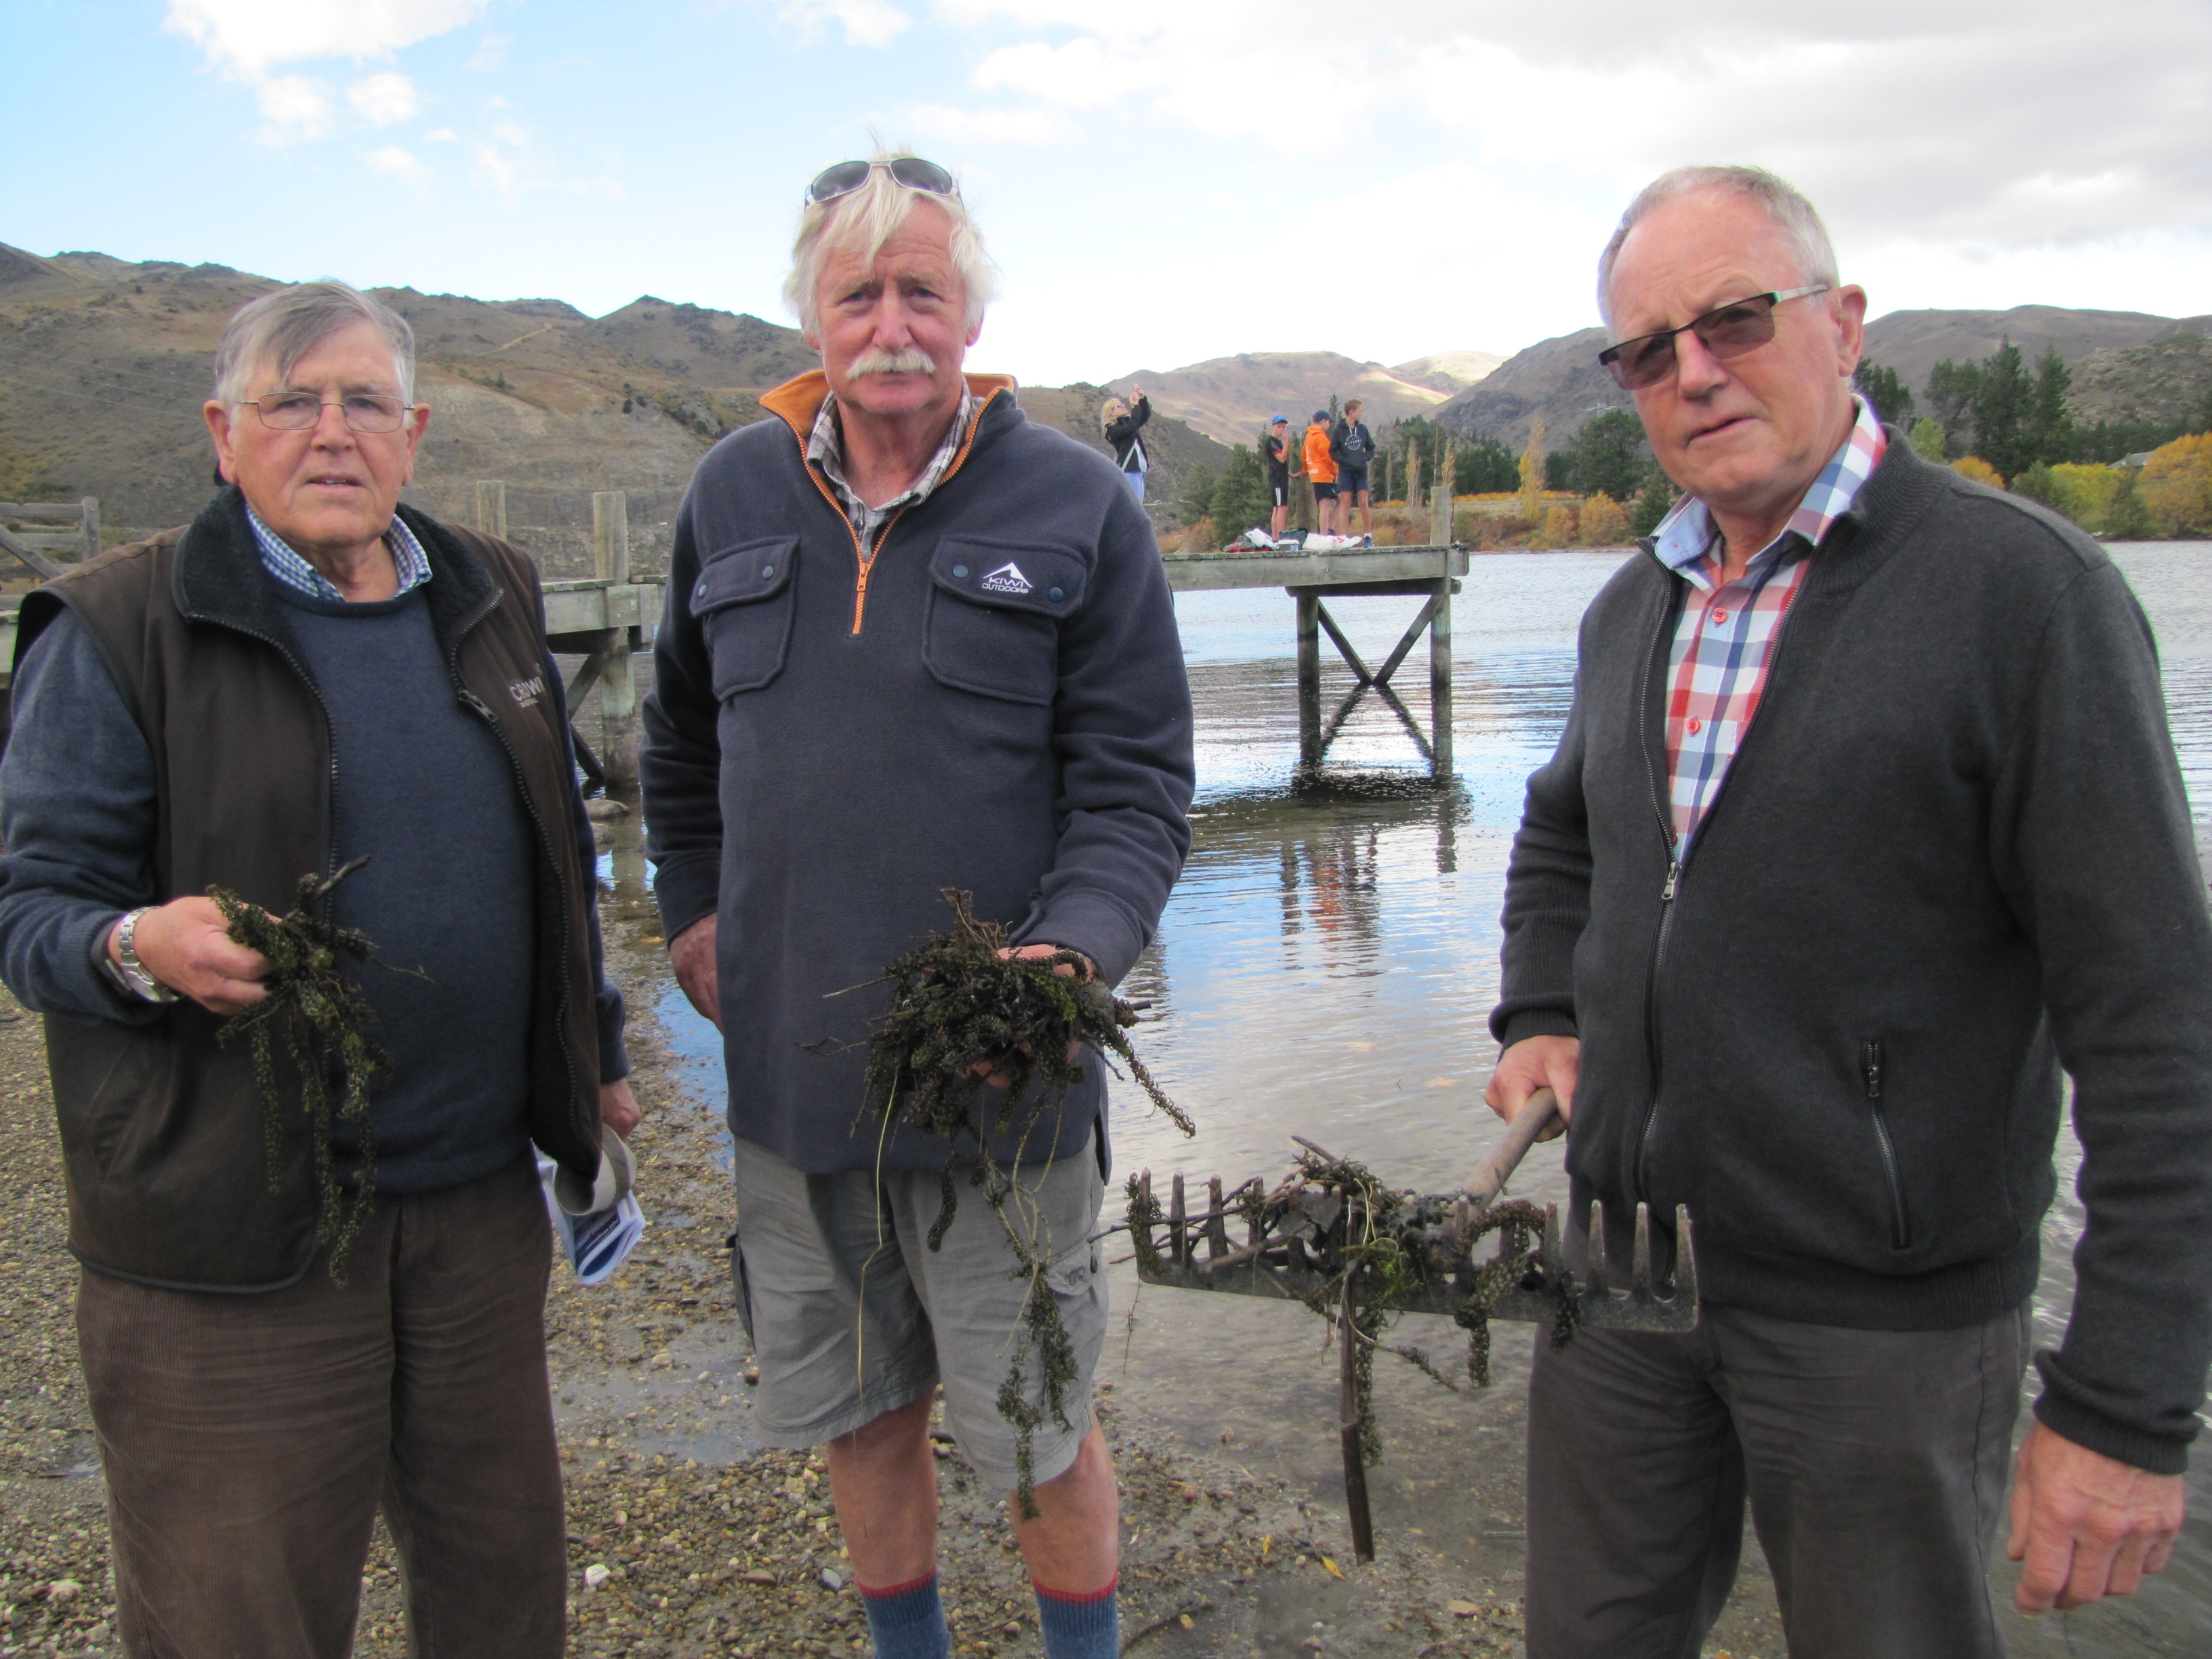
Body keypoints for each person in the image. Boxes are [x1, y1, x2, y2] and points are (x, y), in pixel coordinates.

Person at [1485, 164, 2212, 1659]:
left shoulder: (2026, 601)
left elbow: (2157, 1028)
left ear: (1844, 324)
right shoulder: (1639, 606)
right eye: (1647, 350)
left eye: (1737, 319)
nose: (1693, 370)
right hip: (1617, 1280)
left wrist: (2126, 1405)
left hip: (1885, 1321)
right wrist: (1544, 1009)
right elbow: (1564, 832)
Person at [0, 280, 637, 1658]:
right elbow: (30, 910)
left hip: (474, 1222)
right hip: (233, 1249)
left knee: (501, 1600)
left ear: (412, 431)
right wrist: (137, 948)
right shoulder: (113, 628)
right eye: (293, 401)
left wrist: (598, 1051)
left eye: (363, 402)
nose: (331, 431)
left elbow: (554, 855)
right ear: (224, 434)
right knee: (242, 1619)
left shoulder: (490, 590)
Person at [640, 153, 1194, 1659]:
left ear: (972, 315)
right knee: (864, 1420)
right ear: (812, 317)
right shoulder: (731, 492)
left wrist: (1067, 958)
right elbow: (676, 743)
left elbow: (1137, 791)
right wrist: (690, 913)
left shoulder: (1078, 503)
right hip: (794, 1089)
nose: (892, 323)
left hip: (1005, 1086)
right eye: (858, 292)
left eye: (923, 291)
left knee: (1040, 1431)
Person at [1330, 398, 1376, 539]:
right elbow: (1332, 451)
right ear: (1352, 412)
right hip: (1346, 471)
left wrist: (1364, 458)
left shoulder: (1362, 429)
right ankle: (1343, 536)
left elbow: (1371, 448)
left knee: (1363, 502)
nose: (1362, 414)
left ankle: (1368, 535)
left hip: (1361, 470)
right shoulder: (1339, 430)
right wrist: (1343, 461)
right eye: (1360, 411)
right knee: (1345, 502)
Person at [1101, 386, 1151, 504]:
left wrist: (1142, 399)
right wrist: (1135, 406)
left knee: (1137, 506)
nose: (1123, 406)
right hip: (1129, 471)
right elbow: (1133, 426)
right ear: (1111, 412)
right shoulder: (1112, 430)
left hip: (1139, 471)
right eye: (1119, 406)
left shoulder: (1126, 424)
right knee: (1134, 506)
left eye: (1122, 404)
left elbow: (1144, 416)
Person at [1303, 408, 1339, 534]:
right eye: (1329, 422)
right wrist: (1335, 471)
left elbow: (1304, 455)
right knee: (1326, 505)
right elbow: (1328, 458)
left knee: (1332, 501)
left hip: (1314, 474)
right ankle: (1326, 532)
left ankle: (1328, 530)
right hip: (1324, 474)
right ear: (1323, 421)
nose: (1329, 425)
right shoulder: (1320, 437)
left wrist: (1305, 470)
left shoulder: (1309, 437)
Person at [1264, 415, 1292, 538]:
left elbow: (1278, 463)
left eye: (1284, 427)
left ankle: (1275, 537)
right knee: (1282, 507)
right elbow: (1281, 458)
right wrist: (1287, 441)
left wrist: (1290, 474)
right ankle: (1279, 537)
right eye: (1279, 427)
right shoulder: (1272, 442)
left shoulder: (1276, 442)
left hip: (1280, 476)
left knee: (1277, 507)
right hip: (1277, 478)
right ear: (1273, 427)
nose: (1282, 430)